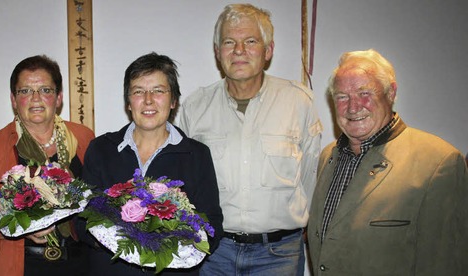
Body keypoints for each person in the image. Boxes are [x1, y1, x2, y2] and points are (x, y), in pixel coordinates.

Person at [176, 4, 322, 275]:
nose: (239, 51)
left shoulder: (298, 102)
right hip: (214, 252)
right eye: (229, 42)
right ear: (218, 52)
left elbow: (311, 176)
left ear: (268, 50)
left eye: (250, 41)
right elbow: (187, 183)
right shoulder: (196, 107)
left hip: (279, 254)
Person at [307, 49, 468, 275]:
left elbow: (445, 263)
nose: (353, 107)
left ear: (391, 93)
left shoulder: (439, 162)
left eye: (364, 93)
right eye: (342, 96)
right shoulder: (328, 156)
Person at [80, 52, 224, 275]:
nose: (148, 100)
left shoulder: (196, 155)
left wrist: (175, 248)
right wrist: (113, 242)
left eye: (158, 91)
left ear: (173, 100)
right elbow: (83, 217)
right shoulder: (101, 149)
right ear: (128, 102)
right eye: (138, 91)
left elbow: (212, 224)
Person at [0, 55, 95, 276]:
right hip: (21, 265)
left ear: (59, 98)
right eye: (25, 91)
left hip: (79, 263)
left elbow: (97, 200)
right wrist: (20, 227)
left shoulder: (83, 138)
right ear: (13, 100)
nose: (36, 98)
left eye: (45, 90)